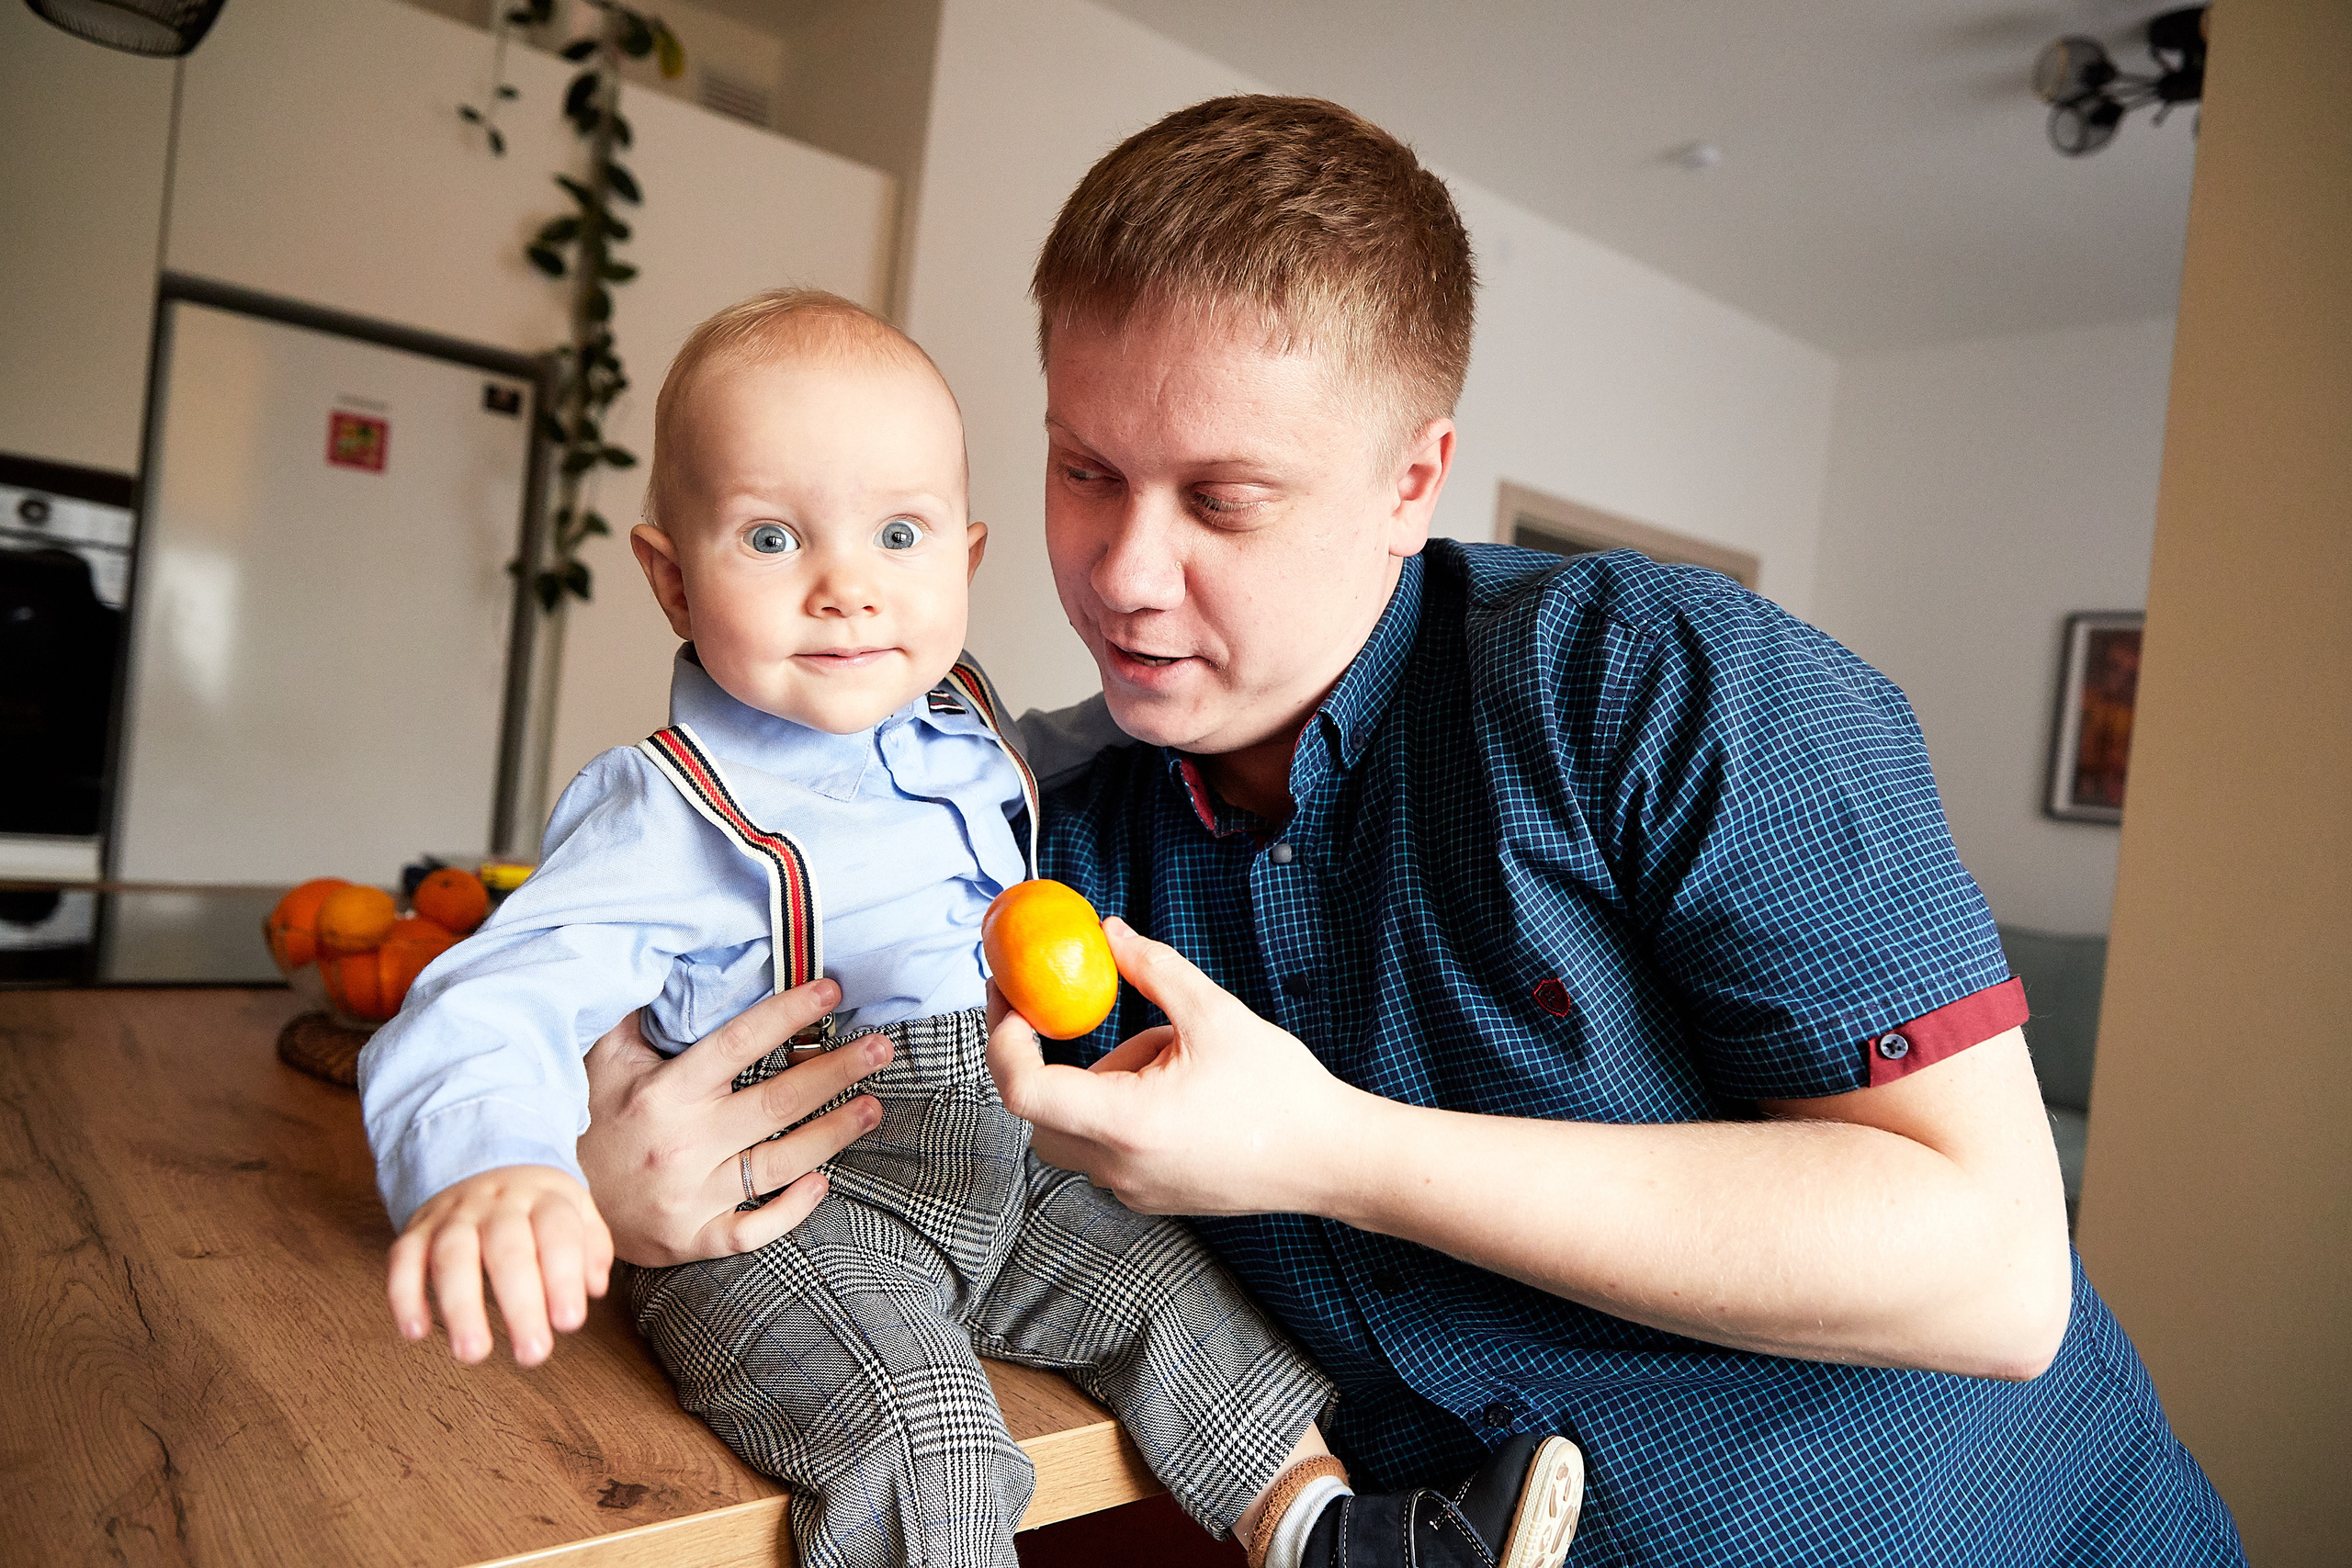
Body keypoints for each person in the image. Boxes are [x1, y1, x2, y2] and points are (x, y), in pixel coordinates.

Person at [570, 100, 2245, 1566]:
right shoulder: (1037, 827)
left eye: (1224, 500)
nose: (1125, 575)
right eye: (1088, 472)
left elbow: (1996, 1269)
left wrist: (1330, 1150)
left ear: (1411, 479)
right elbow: (747, 1026)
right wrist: (621, 1177)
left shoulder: (1656, 683)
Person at [358, 288, 1585, 1568]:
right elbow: (480, 1003)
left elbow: (1138, 734)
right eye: (773, 540)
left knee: (1185, 1307)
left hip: (1002, 1168)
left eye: (898, 533)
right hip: (799, 1212)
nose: (846, 590)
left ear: (966, 561)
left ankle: (1337, 1544)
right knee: (924, 1433)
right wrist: (498, 1166)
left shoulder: (972, 732)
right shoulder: (666, 814)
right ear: (671, 576)